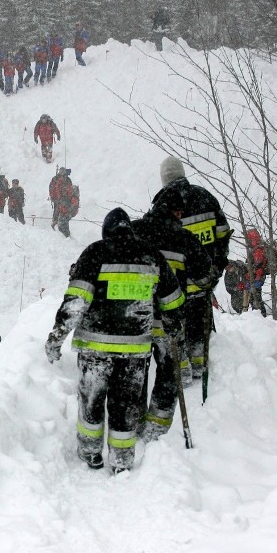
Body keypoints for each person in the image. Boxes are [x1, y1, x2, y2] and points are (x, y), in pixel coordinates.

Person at [44, 208, 184, 473]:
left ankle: (90, 454)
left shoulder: (95, 253)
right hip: (134, 351)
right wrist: (174, 324)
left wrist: (56, 336)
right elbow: (173, 300)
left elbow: (76, 302)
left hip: (95, 349)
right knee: (125, 408)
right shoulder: (150, 256)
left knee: (91, 404)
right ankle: (121, 461)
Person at [131, 188, 212, 438]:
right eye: (180, 212)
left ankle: (132, 424)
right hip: (170, 320)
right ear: (176, 212)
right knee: (168, 373)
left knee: (135, 373)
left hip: (136, 319)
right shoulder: (184, 238)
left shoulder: (133, 231)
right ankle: (157, 428)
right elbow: (204, 275)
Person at [154, 156, 231, 380]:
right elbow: (223, 234)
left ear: (164, 178)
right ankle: (201, 366)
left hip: (177, 287)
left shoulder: (162, 204)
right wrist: (216, 269)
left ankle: (184, 372)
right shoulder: (206, 198)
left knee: (179, 331)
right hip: (204, 282)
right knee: (202, 328)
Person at [243, 228, 269, 316]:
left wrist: (252, 276)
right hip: (256, 277)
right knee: (255, 298)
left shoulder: (257, 250)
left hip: (257, 278)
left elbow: (258, 266)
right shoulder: (257, 248)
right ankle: (260, 315)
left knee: (255, 299)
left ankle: (261, 316)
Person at [49, 167, 76, 237]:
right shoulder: (55, 178)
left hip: (66, 199)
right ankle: (55, 223)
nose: (62, 172)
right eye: (61, 171)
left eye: (63, 171)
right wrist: (52, 196)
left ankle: (62, 227)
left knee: (64, 212)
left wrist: (70, 198)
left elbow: (71, 189)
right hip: (56, 198)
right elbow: (51, 187)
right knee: (57, 210)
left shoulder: (68, 179)